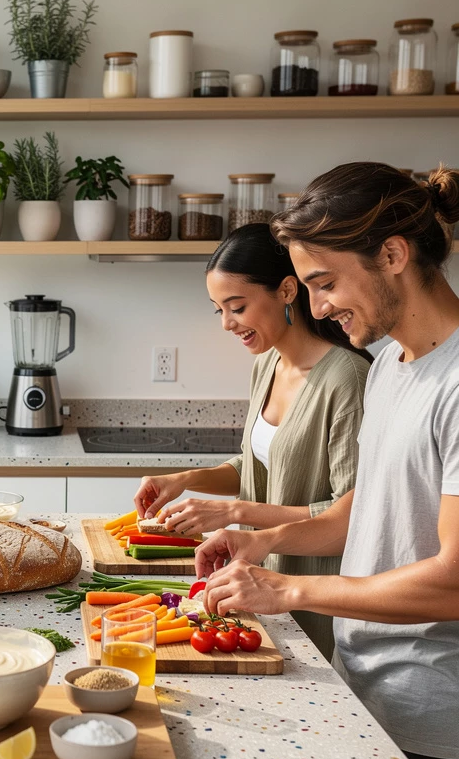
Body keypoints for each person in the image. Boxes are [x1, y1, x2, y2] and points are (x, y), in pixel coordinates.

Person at [196, 162, 459, 759]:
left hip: (436, 722)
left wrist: (288, 588)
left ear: (393, 255)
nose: (316, 308)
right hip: (365, 688)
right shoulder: (395, 366)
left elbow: (453, 580)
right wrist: (263, 541)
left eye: (325, 282)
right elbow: (361, 513)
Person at [134, 224, 372, 659]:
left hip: (312, 601)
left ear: (286, 290)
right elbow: (257, 466)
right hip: (257, 587)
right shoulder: (268, 365)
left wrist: (235, 511)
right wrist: (184, 479)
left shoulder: (347, 379)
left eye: (237, 306)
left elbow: (350, 515)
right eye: (218, 310)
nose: (227, 323)